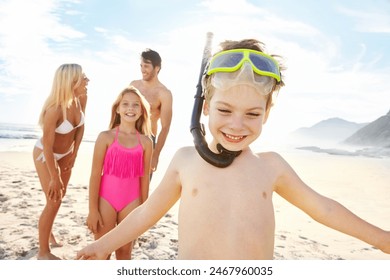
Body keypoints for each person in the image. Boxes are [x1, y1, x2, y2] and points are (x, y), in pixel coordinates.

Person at [77, 39, 390, 260]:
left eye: (252, 114)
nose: (237, 125)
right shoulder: (186, 160)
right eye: (224, 110)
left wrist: (381, 239)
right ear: (204, 108)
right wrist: (104, 245)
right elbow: (145, 213)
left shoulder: (271, 167)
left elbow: (324, 208)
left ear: (266, 113)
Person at [86, 86, 153, 260]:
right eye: (125, 104)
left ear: (141, 110)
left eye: (135, 105)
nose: (130, 108)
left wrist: (144, 209)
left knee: (124, 253)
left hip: (132, 201)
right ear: (117, 108)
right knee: (102, 253)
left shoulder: (146, 142)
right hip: (105, 200)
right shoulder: (106, 137)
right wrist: (93, 210)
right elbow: (95, 175)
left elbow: (144, 177)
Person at [33, 63, 89, 260]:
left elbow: (81, 127)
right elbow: (47, 147)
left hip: (66, 154)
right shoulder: (54, 109)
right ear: (71, 81)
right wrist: (54, 176)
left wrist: (74, 153)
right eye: (83, 77)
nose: (87, 80)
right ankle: (43, 252)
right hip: (45, 154)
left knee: (57, 199)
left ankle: (48, 233)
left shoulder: (81, 98)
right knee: (54, 199)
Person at [130, 49, 173, 174]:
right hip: (125, 137)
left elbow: (165, 127)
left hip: (147, 142)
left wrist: (155, 155)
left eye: (147, 66)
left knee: (141, 189)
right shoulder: (133, 85)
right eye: (141, 66)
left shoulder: (164, 93)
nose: (143, 69)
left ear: (157, 68)